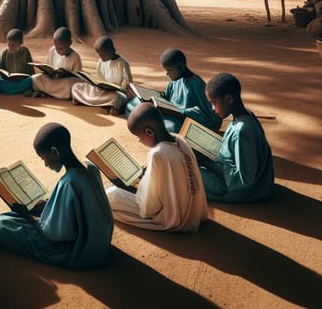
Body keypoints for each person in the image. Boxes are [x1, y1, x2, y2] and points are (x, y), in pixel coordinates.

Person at [0, 122, 113, 268]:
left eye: (44, 158)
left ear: (55, 152)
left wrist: (27, 216)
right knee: (14, 217)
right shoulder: (91, 168)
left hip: (80, 252)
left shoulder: (68, 182)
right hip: (100, 243)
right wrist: (47, 205)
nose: (45, 164)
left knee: (4, 222)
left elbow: (53, 233)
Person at [105, 103, 208, 231]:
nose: (138, 140)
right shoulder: (180, 140)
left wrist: (135, 189)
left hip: (174, 217)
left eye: (138, 136)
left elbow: (149, 207)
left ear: (149, 132)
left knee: (110, 195)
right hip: (195, 212)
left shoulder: (157, 153)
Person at [199, 73, 275, 203]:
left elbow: (244, 179)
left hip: (243, 190)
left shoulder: (243, 130)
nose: (212, 108)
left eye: (214, 103)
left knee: (187, 174)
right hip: (230, 173)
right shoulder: (245, 114)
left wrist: (207, 162)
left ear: (229, 99)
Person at [126, 48, 221, 133]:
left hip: (182, 120)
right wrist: (152, 97)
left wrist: (181, 111)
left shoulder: (196, 84)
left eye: (169, 70)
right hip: (169, 114)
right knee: (133, 103)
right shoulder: (174, 81)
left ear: (180, 66)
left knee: (175, 127)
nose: (167, 73)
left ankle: (149, 125)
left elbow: (209, 117)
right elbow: (167, 98)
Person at [71, 36, 132, 114]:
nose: (101, 57)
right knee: (76, 87)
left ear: (113, 51)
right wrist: (97, 84)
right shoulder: (101, 60)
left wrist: (118, 89)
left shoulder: (123, 63)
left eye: (104, 55)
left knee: (118, 97)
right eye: (99, 55)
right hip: (102, 90)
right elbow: (99, 77)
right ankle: (101, 103)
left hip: (115, 92)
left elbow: (127, 83)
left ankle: (110, 106)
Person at [29, 26, 83, 99]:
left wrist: (65, 75)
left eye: (61, 49)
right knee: (37, 78)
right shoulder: (52, 50)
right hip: (52, 80)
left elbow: (78, 78)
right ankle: (49, 93)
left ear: (70, 43)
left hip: (64, 83)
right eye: (57, 48)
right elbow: (47, 66)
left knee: (71, 84)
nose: (59, 51)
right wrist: (48, 72)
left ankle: (45, 92)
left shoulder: (75, 56)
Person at [0, 28, 34, 95]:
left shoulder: (25, 51)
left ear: (20, 43)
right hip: (8, 81)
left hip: (22, 81)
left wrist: (32, 82)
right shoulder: (4, 52)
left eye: (13, 44)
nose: (10, 46)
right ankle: (17, 90)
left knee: (33, 79)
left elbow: (31, 69)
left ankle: (10, 90)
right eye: (9, 44)